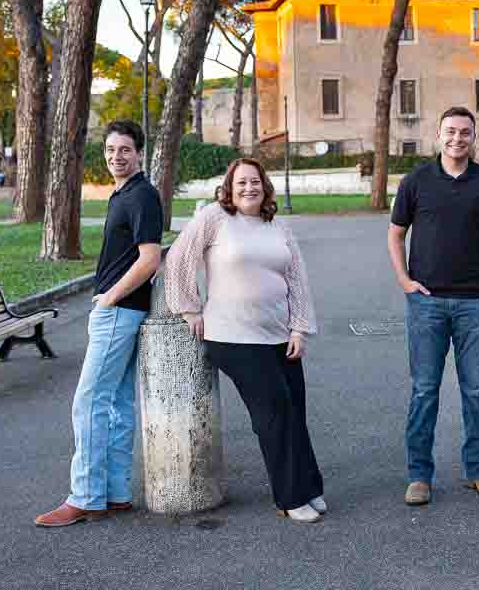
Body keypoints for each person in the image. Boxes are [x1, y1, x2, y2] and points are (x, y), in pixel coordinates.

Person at [165, 158, 325, 523]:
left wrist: (299, 329)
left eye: (254, 182)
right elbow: (178, 260)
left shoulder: (278, 227)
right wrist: (189, 309)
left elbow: (296, 281)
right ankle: (289, 497)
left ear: (264, 187)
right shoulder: (214, 218)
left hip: (279, 336)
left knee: (294, 413)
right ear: (229, 188)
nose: (248, 188)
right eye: (241, 183)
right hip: (233, 336)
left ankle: (308, 487)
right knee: (274, 414)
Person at [36, 120, 163, 527]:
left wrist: (109, 297)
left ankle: (85, 497)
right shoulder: (123, 194)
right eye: (110, 149)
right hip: (123, 313)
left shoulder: (141, 195)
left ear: (139, 152)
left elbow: (150, 258)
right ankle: (116, 493)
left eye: (124, 149)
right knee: (118, 405)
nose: (115, 156)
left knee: (88, 403)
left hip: (118, 314)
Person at [389, 106, 479, 506]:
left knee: (475, 390)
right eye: (450, 132)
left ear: (473, 137)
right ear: (438, 135)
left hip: (476, 302)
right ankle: (419, 475)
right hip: (427, 303)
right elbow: (395, 235)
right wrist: (405, 280)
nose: (457, 138)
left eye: (465, 132)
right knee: (425, 390)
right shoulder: (417, 181)